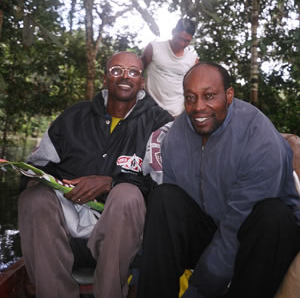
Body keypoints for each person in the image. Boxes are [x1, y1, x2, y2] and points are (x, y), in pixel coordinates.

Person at [137, 61, 300, 298]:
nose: (198, 107)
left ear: (229, 95)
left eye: (209, 96)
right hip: (211, 230)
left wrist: (198, 290)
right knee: (165, 198)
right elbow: (176, 215)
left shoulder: (259, 137)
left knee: (273, 215)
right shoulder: (175, 136)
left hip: (260, 239)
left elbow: (236, 224)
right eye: (190, 98)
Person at [18, 51, 173, 298]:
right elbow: (39, 165)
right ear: (105, 78)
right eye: (116, 70)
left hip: (124, 240)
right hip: (65, 232)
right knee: (33, 198)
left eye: (133, 71)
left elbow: (165, 185)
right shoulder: (73, 117)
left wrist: (111, 183)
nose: (125, 76)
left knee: (126, 194)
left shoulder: (159, 123)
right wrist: (35, 180)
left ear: (141, 81)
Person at [142, 17, 198, 117]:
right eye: (179, 38)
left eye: (186, 41)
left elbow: (193, 88)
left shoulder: (192, 60)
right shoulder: (154, 48)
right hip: (148, 109)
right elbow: (138, 71)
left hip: (175, 114)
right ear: (173, 32)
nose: (182, 43)